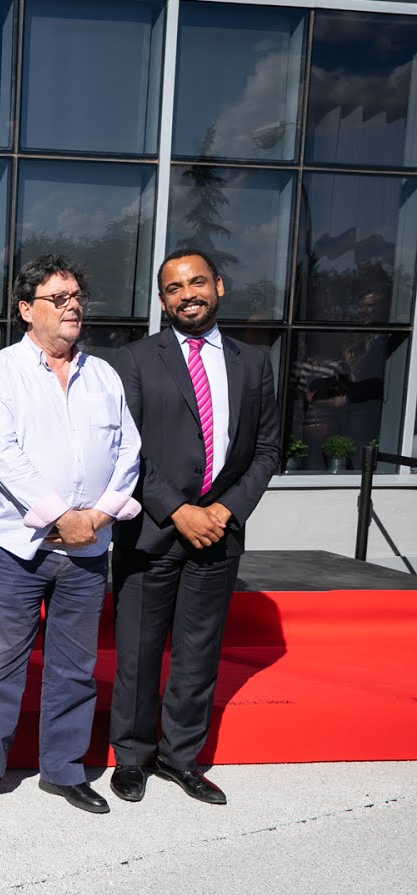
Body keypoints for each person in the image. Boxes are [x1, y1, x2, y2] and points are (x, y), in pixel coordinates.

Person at [0, 255, 141, 816]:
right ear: (25, 309)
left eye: (76, 296)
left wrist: (98, 518)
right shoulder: (0, 371)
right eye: (58, 298)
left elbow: (129, 452)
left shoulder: (103, 375)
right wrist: (63, 516)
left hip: (88, 551)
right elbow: (3, 456)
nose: (72, 306)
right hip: (16, 551)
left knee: (75, 670)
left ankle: (63, 770)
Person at [109, 249, 281, 806]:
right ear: (163, 301)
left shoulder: (254, 363)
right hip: (152, 531)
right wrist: (178, 510)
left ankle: (180, 758)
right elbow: (124, 448)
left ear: (219, 287)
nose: (188, 295)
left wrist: (225, 511)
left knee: (198, 654)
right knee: (138, 653)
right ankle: (131, 757)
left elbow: (267, 449)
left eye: (197, 282)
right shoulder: (135, 359)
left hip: (218, 534)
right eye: (175, 288)